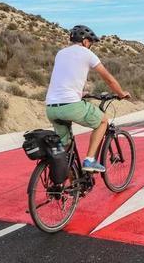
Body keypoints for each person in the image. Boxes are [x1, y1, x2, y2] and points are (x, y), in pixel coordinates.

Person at [45, 25, 131, 173]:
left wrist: (79, 92)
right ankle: (90, 160)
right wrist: (121, 93)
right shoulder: (87, 53)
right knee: (103, 121)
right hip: (70, 106)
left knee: (65, 151)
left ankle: (70, 185)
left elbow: (65, 77)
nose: (90, 45)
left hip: (51, 107)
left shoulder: (60, 53)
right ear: (85, 41)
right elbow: (108, 79)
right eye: (90, 42)